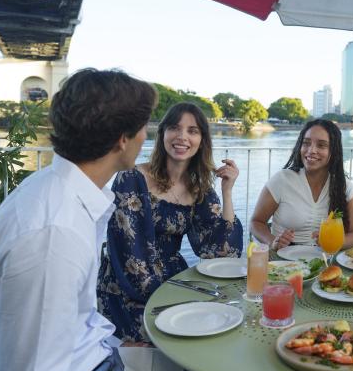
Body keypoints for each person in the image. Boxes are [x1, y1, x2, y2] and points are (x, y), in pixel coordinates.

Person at [0, 68, 157, 371]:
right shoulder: (54, 236)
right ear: (122, 139)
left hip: (90, 359)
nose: (145, 138)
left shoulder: (55, 190)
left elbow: (67, 319)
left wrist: (114, 344)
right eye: (143, 128)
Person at [97, 102, 243, 343]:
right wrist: (178, 302)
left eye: (192, 131)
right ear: (162, 133)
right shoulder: (132, 178)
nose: (182, 137)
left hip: (172, 282)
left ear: (201, 140)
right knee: (180, 336)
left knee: (226, 320)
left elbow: (222, 252)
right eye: (175, 128)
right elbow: (130, 257)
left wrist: (227, 193)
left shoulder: (199, 188)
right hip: (127, 288)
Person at [250, 119, 353, 250]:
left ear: (333, 151)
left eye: (321, 145)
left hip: (326, 262)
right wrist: (273, 242)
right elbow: (256, 222)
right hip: (283, 263)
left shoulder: (345, 186)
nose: (311, 150)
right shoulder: (282, 180)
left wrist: (332, 241)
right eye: (306, 143)